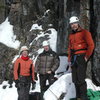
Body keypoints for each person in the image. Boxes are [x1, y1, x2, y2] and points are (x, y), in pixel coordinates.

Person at [68, 16, 94, 100]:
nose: (73, 25)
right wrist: (69, 59)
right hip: (73, 58)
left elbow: (91, 45)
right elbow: (69, 48)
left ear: (78, 23)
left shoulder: (85, 32)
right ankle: (78, 97)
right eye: (72, 24)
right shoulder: (71, 35)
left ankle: (84, 97)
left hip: (81, 57)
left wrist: (86, 57)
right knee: (75, 79)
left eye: (74, 23)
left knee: (81, 79)